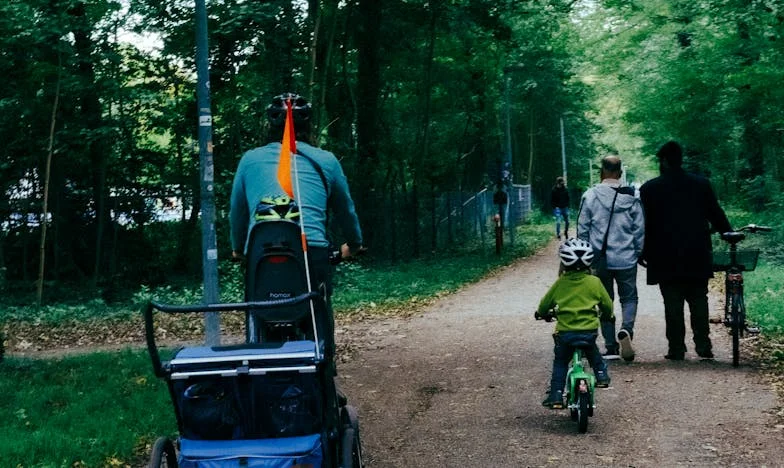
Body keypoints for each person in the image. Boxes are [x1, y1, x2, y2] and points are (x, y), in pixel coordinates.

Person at [229, 92, 364, 305]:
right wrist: (354, 244)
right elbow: (345, 210)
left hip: (261, 251)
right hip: (311, 250)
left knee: (259, 306)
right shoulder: (326, 160)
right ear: (309, 127)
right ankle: (321, 335)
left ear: (270, 127)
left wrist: (238, 249)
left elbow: (238, 213)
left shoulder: (249, 160)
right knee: (317, 306)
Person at [639, 141, 732, 360]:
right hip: (696, 252)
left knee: (672, 302)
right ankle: (703, 345)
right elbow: (715, 213)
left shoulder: (650, 189)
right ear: (680, 159)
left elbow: (643, 224)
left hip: (664, 255)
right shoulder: (701, 184)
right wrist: (727, 233)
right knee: (699, 299)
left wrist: (642, 251)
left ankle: (676, 348)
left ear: (663, 161)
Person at [577, 156, 644, 362]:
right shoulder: (632, 197)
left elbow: (582, 229)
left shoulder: (590, 196)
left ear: (602, 171)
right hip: (626, 258)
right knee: (629, 297)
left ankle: (611, 346)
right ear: (620, 172)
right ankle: (626, 330)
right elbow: (639, 229)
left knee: (604, 302)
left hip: (600, 259)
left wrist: (585, 257)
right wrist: (638, 252)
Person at [537, 238, 614, 408]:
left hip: (566, 333)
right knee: (592, 351)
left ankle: (556, 395)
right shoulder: (595, 282)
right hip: (589, 331)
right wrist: (609, 315)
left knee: (561, 362)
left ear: (563, 263)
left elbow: (544, 306)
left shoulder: (561, 283)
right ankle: (601, 375)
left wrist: (541, 314)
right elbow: (607, 305)